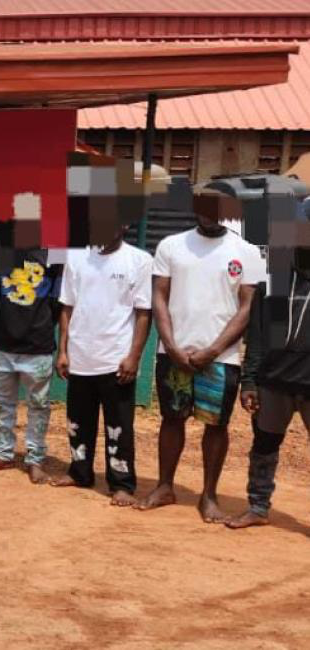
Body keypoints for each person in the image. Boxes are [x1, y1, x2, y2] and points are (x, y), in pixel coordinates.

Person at [138, 197, 261, 523]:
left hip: (222, 358)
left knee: (216, 426)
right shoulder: (171, 245)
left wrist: (214, 350)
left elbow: (247, 306)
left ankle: (209, 495)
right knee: (171, 419)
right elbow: (159, 296)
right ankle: (165, 486)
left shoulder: (247, 251)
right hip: (174, 354)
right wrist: (170, 345)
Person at [50, 226, 152, 504]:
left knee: (119, 426)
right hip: (80, 357)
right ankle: (79, 473)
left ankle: (122, 484)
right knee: (77, 422)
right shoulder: (76, 257)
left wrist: (134, 356)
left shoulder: (139, 260)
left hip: (116, 359)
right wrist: (63, 350)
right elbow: (67, 307)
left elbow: (144, 313)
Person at [227, 237, 310, 530]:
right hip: (273, 381)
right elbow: (258, 335)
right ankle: (258, 507)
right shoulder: (274, 279)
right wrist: (249, 381)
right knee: (264, 445)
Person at [0, 248, 62, 481]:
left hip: (38, 345)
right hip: (4, 344)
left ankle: (35, 459)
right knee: (3, 404)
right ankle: (4, 454)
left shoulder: (55, 253)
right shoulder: (1, 251)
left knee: (38, 406)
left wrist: (43, 326)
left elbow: (59, 301)